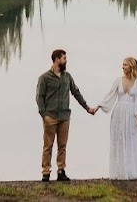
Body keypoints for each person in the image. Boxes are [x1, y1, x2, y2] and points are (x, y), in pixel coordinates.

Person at [35, 47, 94, 182]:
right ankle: (46, 172)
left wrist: (87, 108)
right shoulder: (44, 78)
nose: (66, 61)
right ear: (57, 60)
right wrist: (43, 114)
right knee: (48, 146)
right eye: (64, 58)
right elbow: (39, 97)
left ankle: (61, 171)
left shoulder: (67, 77)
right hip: (50, 117)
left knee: (62, 145)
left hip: (64, 117)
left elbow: (76, 92)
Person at [94, 56, 137, 180]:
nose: (123, 67)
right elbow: (110, 95)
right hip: (119, 114)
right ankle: (119, 171)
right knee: (119, 141)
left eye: (125, 65)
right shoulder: (118, 80)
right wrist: (100, 105)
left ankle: (132, 170)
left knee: (131, 140)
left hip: (132, 113)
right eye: (122, 65)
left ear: (132, 67)